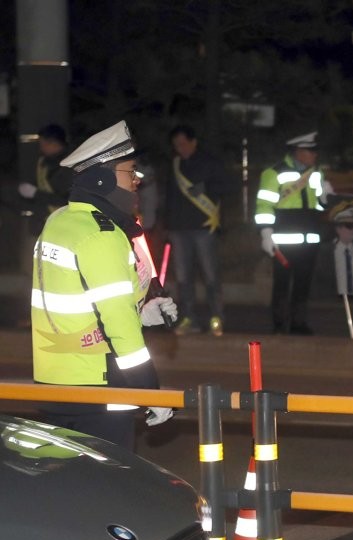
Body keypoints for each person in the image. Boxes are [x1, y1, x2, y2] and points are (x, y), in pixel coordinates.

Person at [31, 120, 177, 451]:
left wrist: (142, 312)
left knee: (63, 475)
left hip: (54, 380)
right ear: (103, 179)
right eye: (130, 172)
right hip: (98, 385)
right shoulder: (102, 234)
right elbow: (118, 325)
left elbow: (80, 303)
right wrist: (150, 392)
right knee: (110, 479)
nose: (137, 180)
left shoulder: (59, 221)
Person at [255, 131, 331, 335]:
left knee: (303, 282)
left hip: (310, 237)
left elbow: (319, 206)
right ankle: (279, 323)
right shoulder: (274, 172)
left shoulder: (316, 173)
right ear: (298, 151)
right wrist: (266, 233)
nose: (314, 155)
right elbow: (264, 205)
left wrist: (326, 198)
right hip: (284, 239)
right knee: (282, 282)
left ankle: (299, 323)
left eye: (315, 151)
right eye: (311, 151)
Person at [164, 124, 229, 336]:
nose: (180, 148)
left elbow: (226, 186)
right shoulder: (174, 165)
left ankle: (217, 317)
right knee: (183, 278)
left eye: (183, 143)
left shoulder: (210, 162)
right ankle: (188, 318)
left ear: (194, 142)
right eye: (176, 145)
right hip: (179, 228)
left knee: (210, 275)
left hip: (203, 227)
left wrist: (206, 188)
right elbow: (169, 197)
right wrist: (168, 225)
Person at [19, 123, 73, 236]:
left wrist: (35, 193)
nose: (41, 148)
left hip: (62, 224)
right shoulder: (44, 162)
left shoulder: (69, 166)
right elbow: (40, 185)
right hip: (44, 222)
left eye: (43, 144)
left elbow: (65, 200)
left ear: (53, 143)